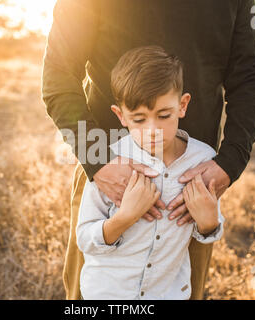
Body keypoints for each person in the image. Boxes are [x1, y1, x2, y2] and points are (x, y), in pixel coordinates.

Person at [42, 0, 255, 299]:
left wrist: (229, 163)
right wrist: (99, 161)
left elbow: (249, 77)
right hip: (108, 170)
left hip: (193, 182)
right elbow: (58, 75)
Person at [77, 46, 225, 299]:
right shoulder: (110, 162)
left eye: (164, 115)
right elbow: (84, 239)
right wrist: (124, 218)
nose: (153, 129)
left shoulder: (203, 160)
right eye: (139, 119)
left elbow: (209, 230)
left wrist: (210, 222)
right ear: (120, 115)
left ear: (182, 105)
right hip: (108, 294)